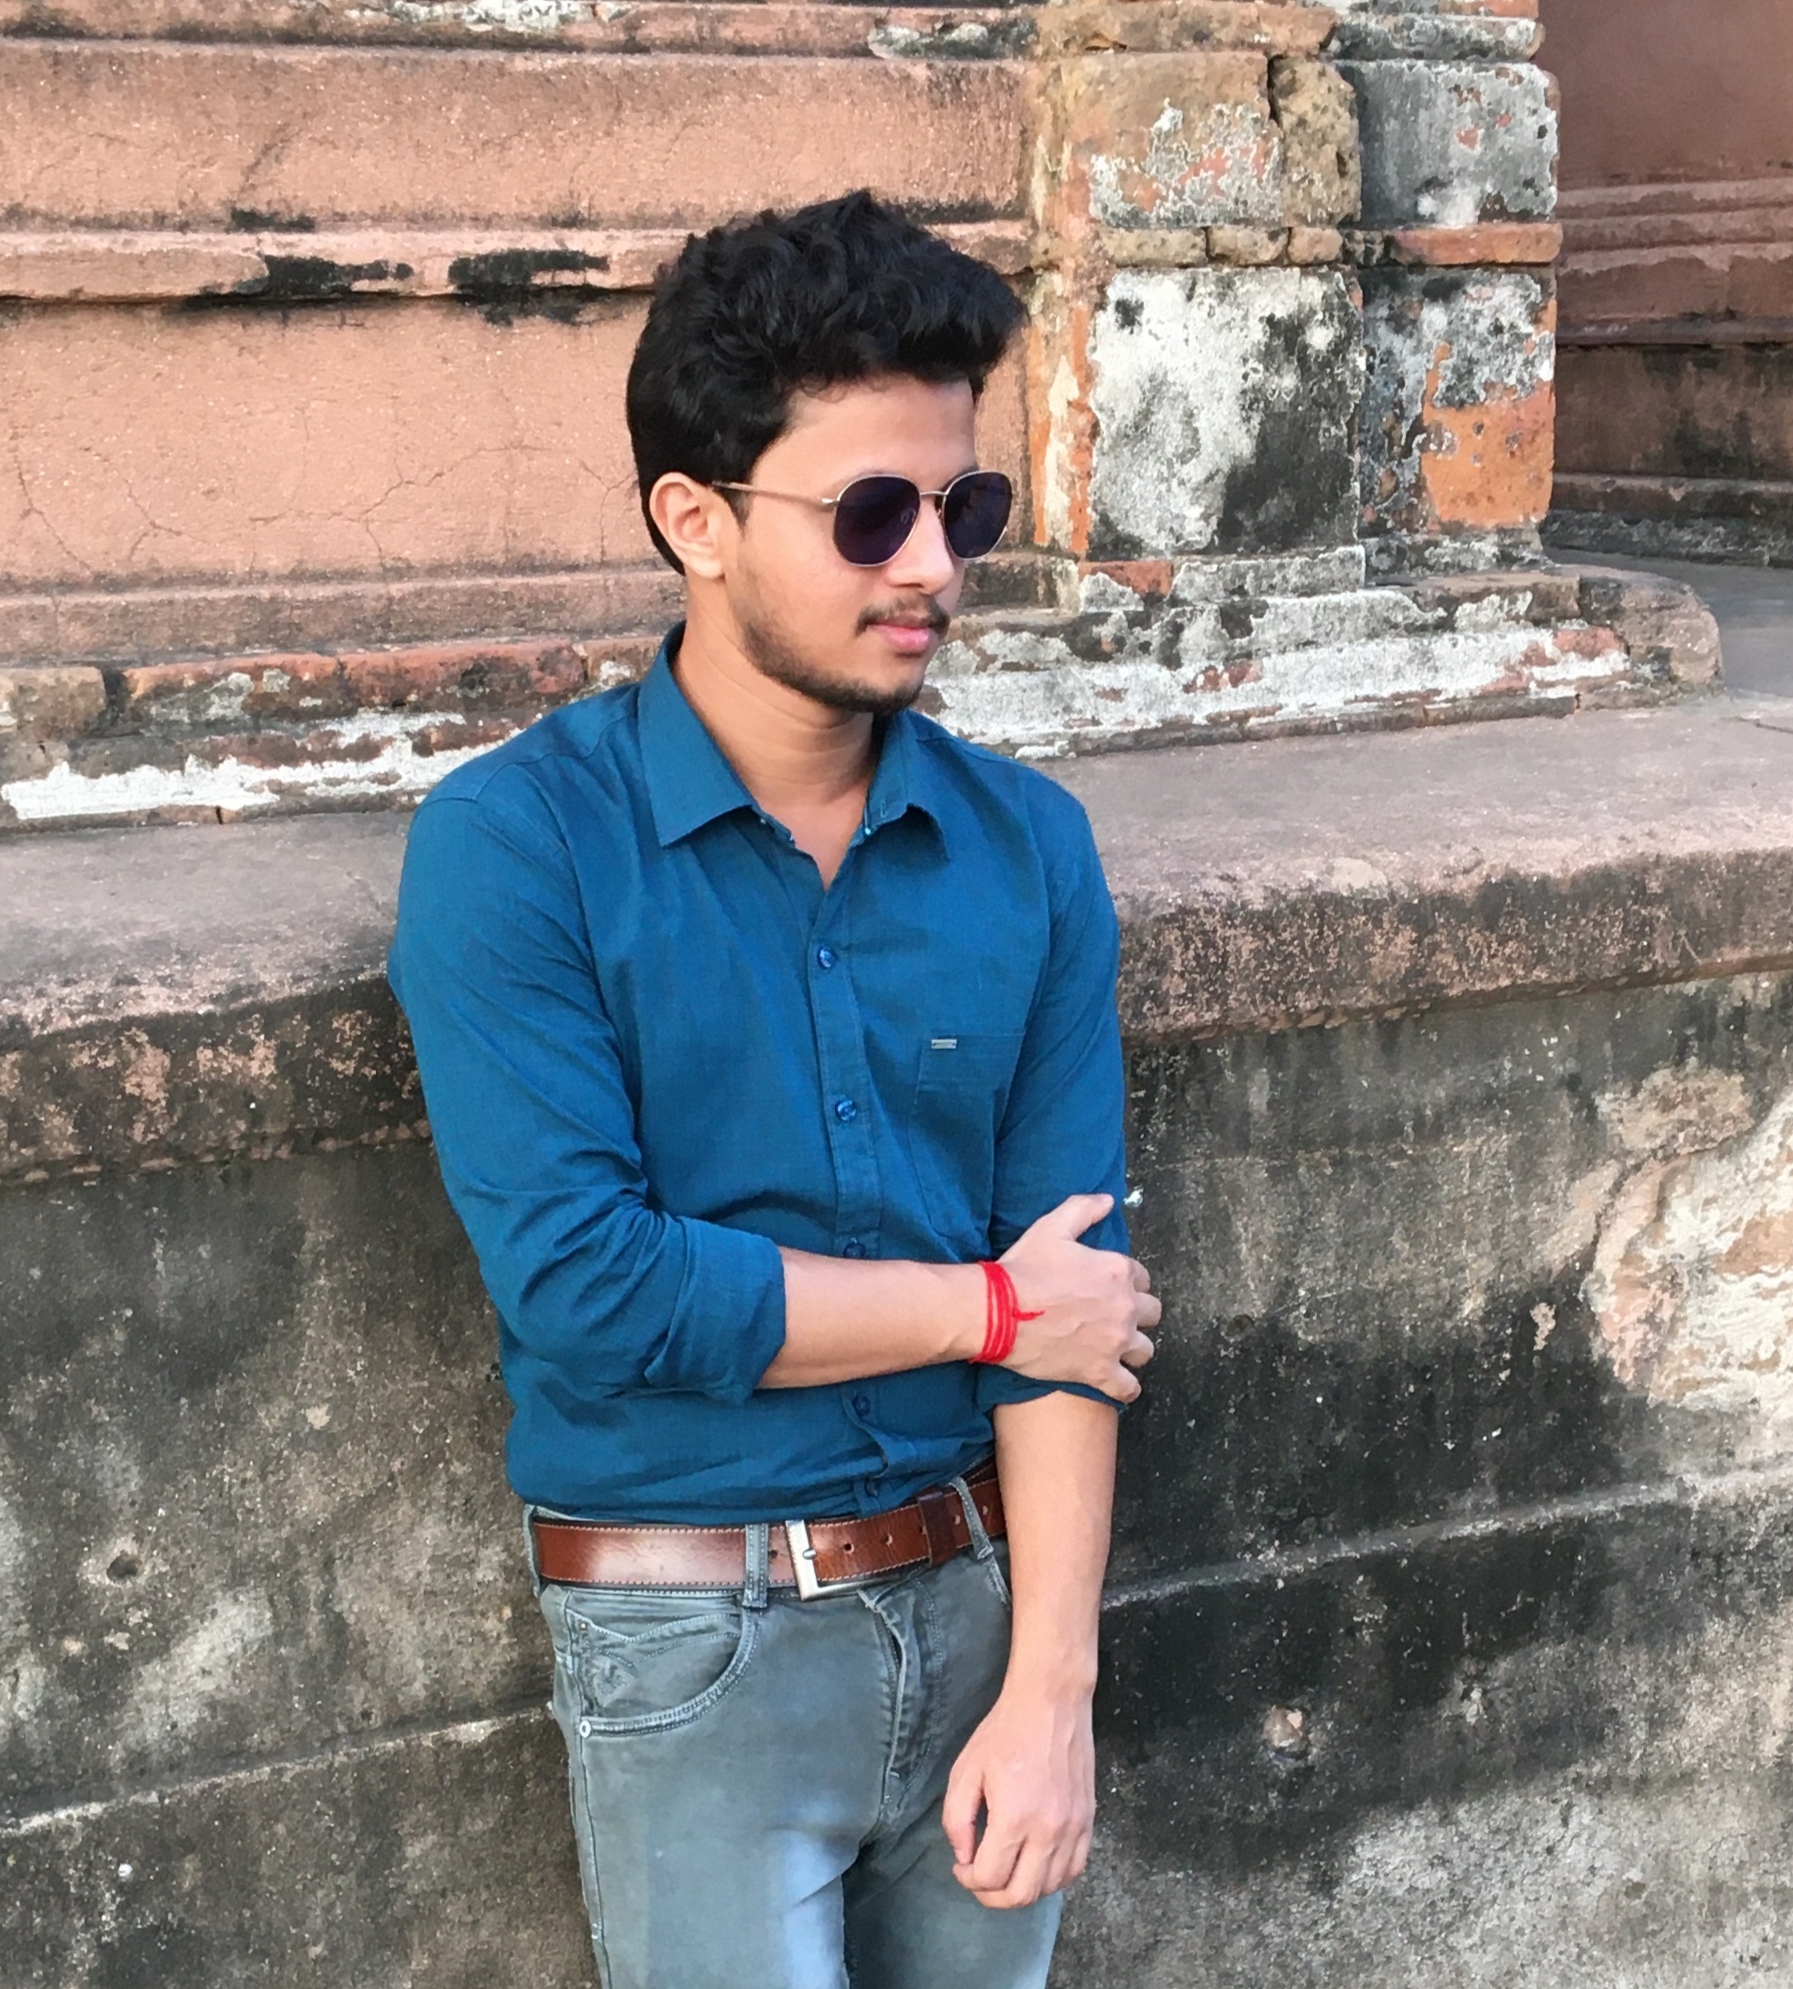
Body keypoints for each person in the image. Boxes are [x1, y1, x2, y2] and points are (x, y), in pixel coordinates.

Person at [388, 189, 1161, 1989]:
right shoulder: (517, 846)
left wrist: (1053, 1687)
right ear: (696, 519)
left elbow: (1078, 1287)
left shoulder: (1025, 846)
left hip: (980, 1602)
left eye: (964, 506)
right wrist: (984, 1311)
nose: (933, 566)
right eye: (870, 512)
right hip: (687, 1628)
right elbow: (590, 1285)